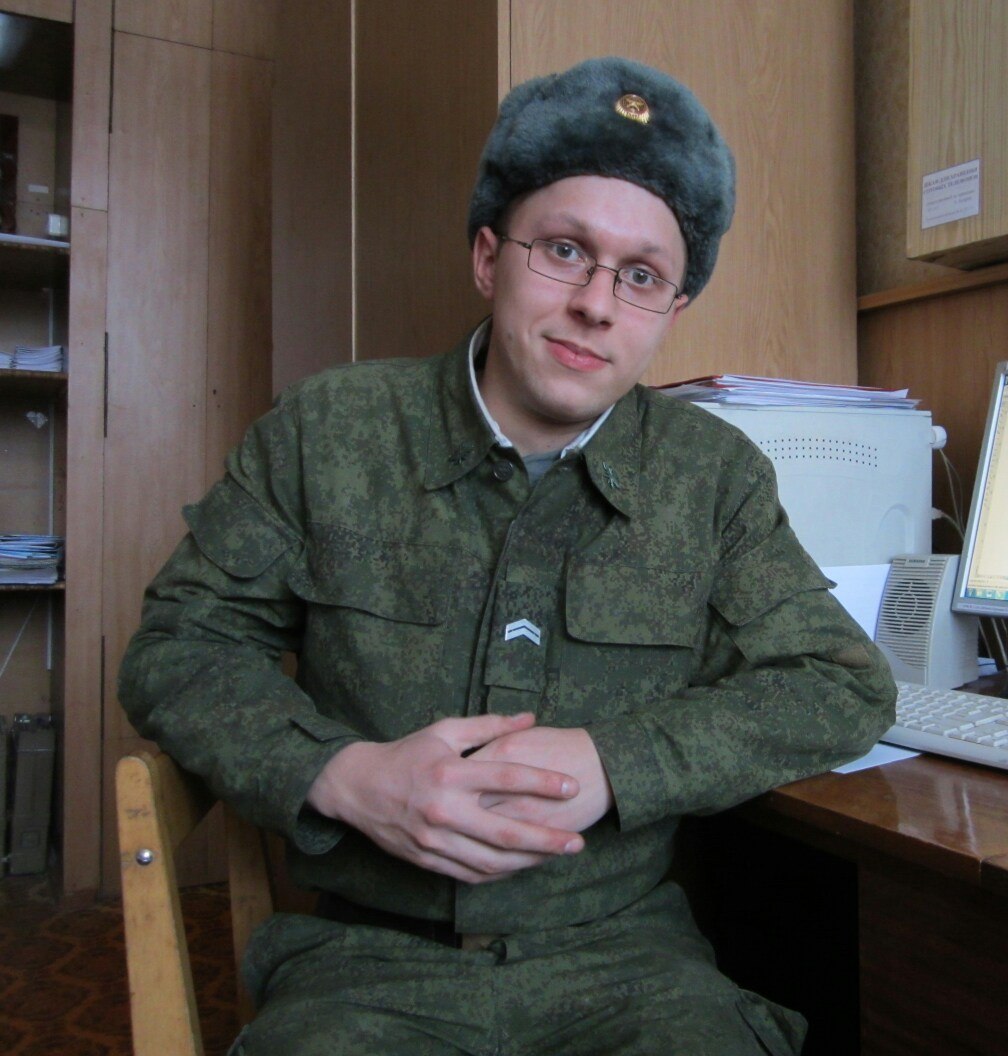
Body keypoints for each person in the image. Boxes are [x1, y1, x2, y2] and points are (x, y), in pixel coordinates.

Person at [119, 56, 895, 1056]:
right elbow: (179, 647)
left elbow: (840, 685)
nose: (598, 304)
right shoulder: (328, 431)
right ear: (488, 258)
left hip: (627, 962)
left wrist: (616, 762)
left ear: (671, 312)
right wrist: (342, 774)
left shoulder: (714, 478)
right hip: (362, 966)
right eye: (565, 251)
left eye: (642, 276)